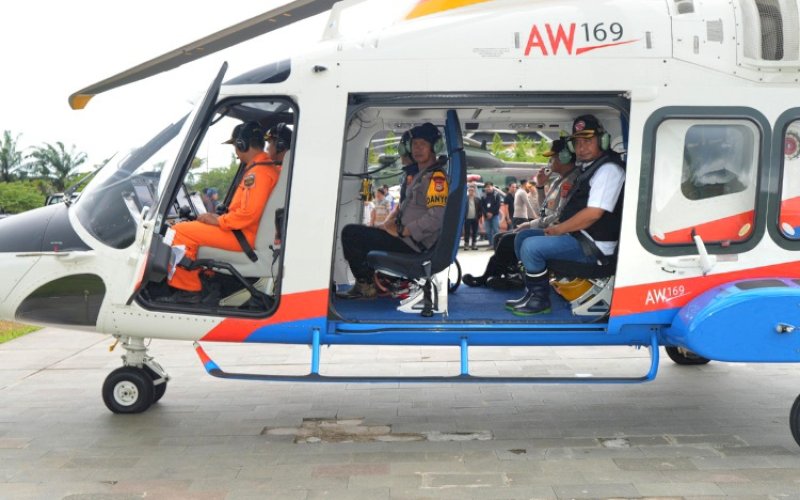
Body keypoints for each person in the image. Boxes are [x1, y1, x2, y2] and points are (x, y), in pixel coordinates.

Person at [160, 121, 290, 303]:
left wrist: (218, 221)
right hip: (246, 232)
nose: (236, 152)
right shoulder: (266, 168)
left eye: (236, 147)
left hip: (244, 235)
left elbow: (247, 214)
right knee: (190, 227)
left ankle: (188, 292)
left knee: (179, 232)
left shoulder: (258, 173)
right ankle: (208, 280)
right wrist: (219, 218)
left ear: (242, 144)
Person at [507, 115, 625, 315]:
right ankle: (534, 292)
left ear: (602, 141)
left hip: (595, 247)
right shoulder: (588, 169)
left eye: (588, 141)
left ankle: (540, 300)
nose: (582, 147)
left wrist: (559, 229)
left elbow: (593, 214)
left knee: (531, 247)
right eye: (577, 142)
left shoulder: (608, 170)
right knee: (522, 237)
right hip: (580, 237)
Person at [338, 122, 448, 299]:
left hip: (412, 243)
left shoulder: (436, 178)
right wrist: (387, 226)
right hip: (408, 239)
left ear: (435, 147)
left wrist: (403, 231)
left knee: (351, 233)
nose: (417, 149)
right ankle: (370, 282)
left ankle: (366, 285)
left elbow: (437, 217)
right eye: (414, 144)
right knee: (360, 233)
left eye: (423, 144)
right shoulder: (423, 175)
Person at [462, 138, 577, 289]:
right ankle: (500, 275)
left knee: (508, 240)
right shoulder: (558, 181)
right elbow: (543, 211)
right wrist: (541, 186)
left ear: (564, 157)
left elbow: (558, 215)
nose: (550, 161)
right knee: (499, 237)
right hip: (550, 227)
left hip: (560, 231)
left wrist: (530, 224)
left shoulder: (571, 181)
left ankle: (506, 276)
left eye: (552, 157)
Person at [480, 181, 503, 248]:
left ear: (492, 187)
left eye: (489, 187)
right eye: (487, 187)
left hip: (495, 215)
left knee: (496, 230)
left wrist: (491, 213)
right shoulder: (483, 195)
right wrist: (486, 213)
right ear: (485, 188)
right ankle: (491, 244)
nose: (488, 188)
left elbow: (498, 205)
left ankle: (497, 245)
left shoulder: (496, 195)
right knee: (488, 231)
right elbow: (481, 206)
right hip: (486, 217)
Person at [463, 185, 483, 250]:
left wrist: (479, 217)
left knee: (475, 232)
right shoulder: (465, 199)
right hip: (467, 218)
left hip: (475, 218)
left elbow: (480, 209)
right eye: (470, 190)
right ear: (468, 191)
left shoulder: (477, 199)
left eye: (472, 191)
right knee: (467, 232)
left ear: (474, 192)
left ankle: (474, 244)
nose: (471, 192)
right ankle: (466, 244)